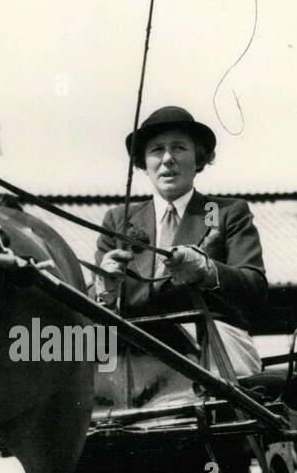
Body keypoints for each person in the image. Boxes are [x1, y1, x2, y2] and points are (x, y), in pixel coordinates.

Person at [94, 106, 267, 380]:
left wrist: (208, 271)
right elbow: (96, 309)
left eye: (179, 148)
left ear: (198, 158)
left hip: (214, 341)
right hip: (138, 347)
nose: (167, 159)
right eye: (156, 150)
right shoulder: (118, 220)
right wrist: (106, 290)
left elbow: (254, 287)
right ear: (143, 163)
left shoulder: (225, 212)